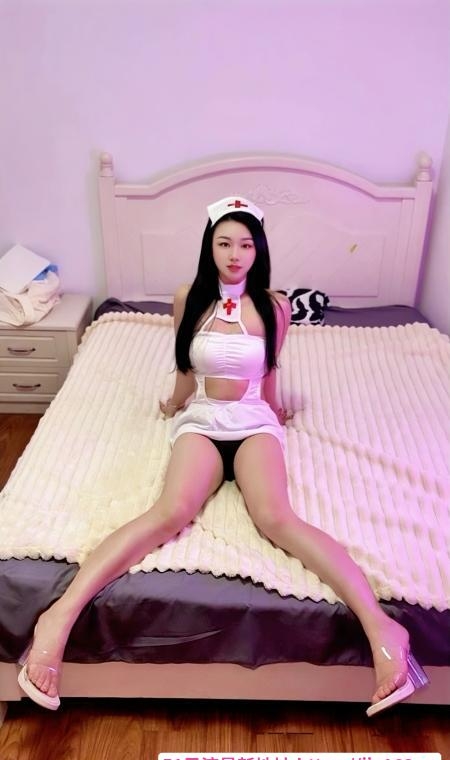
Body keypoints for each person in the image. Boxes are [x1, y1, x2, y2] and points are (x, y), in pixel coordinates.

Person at [18, 196, 428, 716]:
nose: (235, 254)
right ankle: (57, 617)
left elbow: (270, 372)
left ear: (259, 250)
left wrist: (276, 412)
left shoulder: (275, 306)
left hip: (253, 422)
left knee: (277, 519)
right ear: (209, 247)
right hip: (204, 420)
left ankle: (384, 629)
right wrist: (173, 404)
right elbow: (185, 369)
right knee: (169, 512)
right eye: (225, 243)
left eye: (246, 245)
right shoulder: (187, 298)